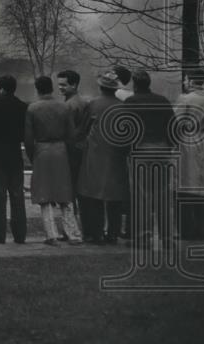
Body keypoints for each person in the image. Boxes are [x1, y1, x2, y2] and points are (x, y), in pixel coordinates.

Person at [24, 76, 83, 245]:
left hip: (42, 150)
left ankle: (52, 235)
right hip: (61, 150)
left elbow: (28, 138)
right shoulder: (64, 107)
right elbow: (71, 135)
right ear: (51, 88)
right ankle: (73, 234)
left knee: (45, 194)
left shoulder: (33, 109)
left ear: (37, 89)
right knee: (65, 192)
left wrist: (32, 155)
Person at [124, 71, 177, 248]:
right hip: (162, 151)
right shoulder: (163, 101)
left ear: (135, 84)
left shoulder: (130, 102)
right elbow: (173, 128)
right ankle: (167, 238)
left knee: (142, 196)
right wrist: (169, 146)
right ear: (149, 83)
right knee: (163, 195)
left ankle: (143, 237)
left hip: (141, 151)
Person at [77, 71, 130, 244]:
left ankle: (96, 232)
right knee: (114, 195)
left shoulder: (92, 104)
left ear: (100, 87)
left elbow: (83, 129)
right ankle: (113, 233)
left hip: (95, 153)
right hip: (117, 154)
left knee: (95, 194)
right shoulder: (123, 107)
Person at [174, 68, 204, 241]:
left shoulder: (184, 100)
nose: (184, 82)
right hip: (203, 143)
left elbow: (175, 124)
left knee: (184, 187)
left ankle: (185, 230)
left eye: (185, 79)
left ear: (191, 81)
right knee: (201, 189)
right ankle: (201, 231)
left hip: (185, 144)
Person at [0, 75, 28, 245]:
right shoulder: (23, 107)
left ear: (2, 89)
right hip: (15, 156)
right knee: (18, 196)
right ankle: (20, 234)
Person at [57, 69, 89, 216]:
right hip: (84, 150)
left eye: (63, 85)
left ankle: (71, 227)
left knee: (69, 191)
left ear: (74, 85)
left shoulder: (68, 106)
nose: (60, 88)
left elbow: (67, 132)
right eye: (59, 84)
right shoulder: (84, 102)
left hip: (71, 152)